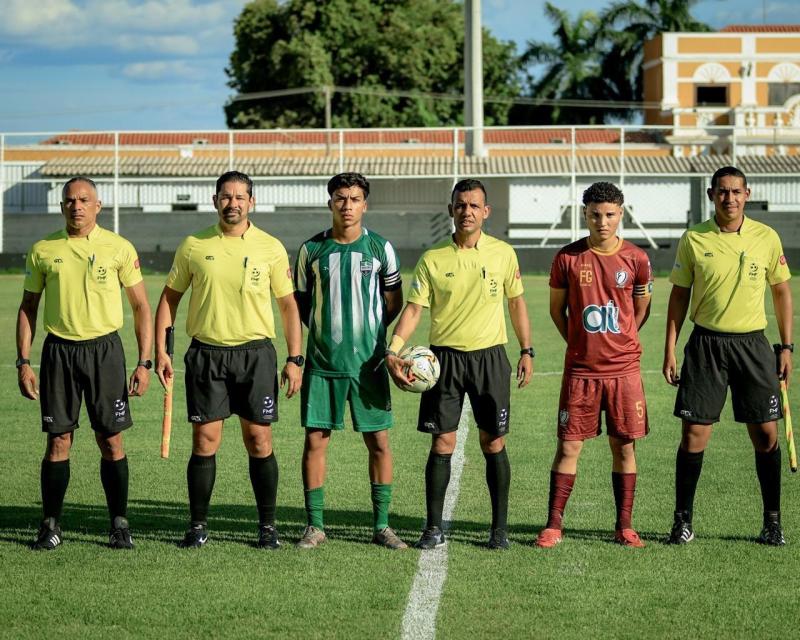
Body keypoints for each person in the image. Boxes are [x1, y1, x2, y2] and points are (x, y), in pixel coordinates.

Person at [154, 170, 302, 549]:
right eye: (225, 196)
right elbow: (169, 299)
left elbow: (288, 306)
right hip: (207, 354)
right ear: (215, 199)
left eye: (240, 197)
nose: (232, 203)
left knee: (259, 439)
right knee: (205, 440)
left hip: (256, 355)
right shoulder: (193, 245)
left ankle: (268, 527)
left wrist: (295, 358)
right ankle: (198, 525)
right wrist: (162, 351)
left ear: (251, 202)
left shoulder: (270, 247)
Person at [385, 178, 533, 550]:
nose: (466, 211)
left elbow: (516, 304)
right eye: (460, 205)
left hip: (490, 358)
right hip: (444, 362)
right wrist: (394, 349)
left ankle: (499, 530)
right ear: (451, 209)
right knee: (442, 442)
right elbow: (414, 308)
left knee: (493, 441)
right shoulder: (433, 259)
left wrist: (526, 350)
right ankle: (433, 528)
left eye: (473, 205)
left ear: (486, 212)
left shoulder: (503, 254)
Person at [16, 176, 153, 550]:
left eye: (84, 200)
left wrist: (144, 362)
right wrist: (23, 362)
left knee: (111, 439)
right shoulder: (44, 249)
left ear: (98, 206)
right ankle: (50, 525)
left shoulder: (119, 248)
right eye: (69, 200)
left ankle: (119, 524)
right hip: (58, 352)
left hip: (105, 353)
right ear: (62, 207)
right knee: (58, 439)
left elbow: (141, 306)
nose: (76, 206)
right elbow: (28, 307)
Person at [663, 166, 793, 546]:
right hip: (706, 346)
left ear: (747, 194)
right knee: (694, 434)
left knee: (767, 434)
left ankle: (772, 523)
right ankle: (682, 521)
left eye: (736, 191)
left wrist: (786, 347)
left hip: (753, 346)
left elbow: (782, 292)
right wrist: (670, 347)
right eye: (722, 192)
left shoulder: (766, 238)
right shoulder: (694, 239)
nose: (730, 198)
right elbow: (678, 296)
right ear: (711, 195)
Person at [535, 182, 652, 549]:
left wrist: (621, 340)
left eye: (610, 214)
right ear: (584, 213)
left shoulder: (637, 259)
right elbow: (557, 311)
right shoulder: (567, 258)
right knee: (569, 447)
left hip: (624, 371)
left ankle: (624, 526)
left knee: (624, 448)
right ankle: (554, 525)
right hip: (582, 371)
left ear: (621, 214)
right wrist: (579, 343)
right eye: (595, 214)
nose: (603, 221)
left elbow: (640, 308)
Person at [293, 172, 406, 549]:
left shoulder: (380, 249)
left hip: (368, 365)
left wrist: (370, 334)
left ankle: (382, 525)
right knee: (315, 442)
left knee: (379, 442)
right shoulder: (311, 251)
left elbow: (393, 301)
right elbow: (302, 306)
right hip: (323, 364)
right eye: (340, 198)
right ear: (330, 203)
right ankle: (315, 526)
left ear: (365, 204)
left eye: (355, 198)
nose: (347, 205)